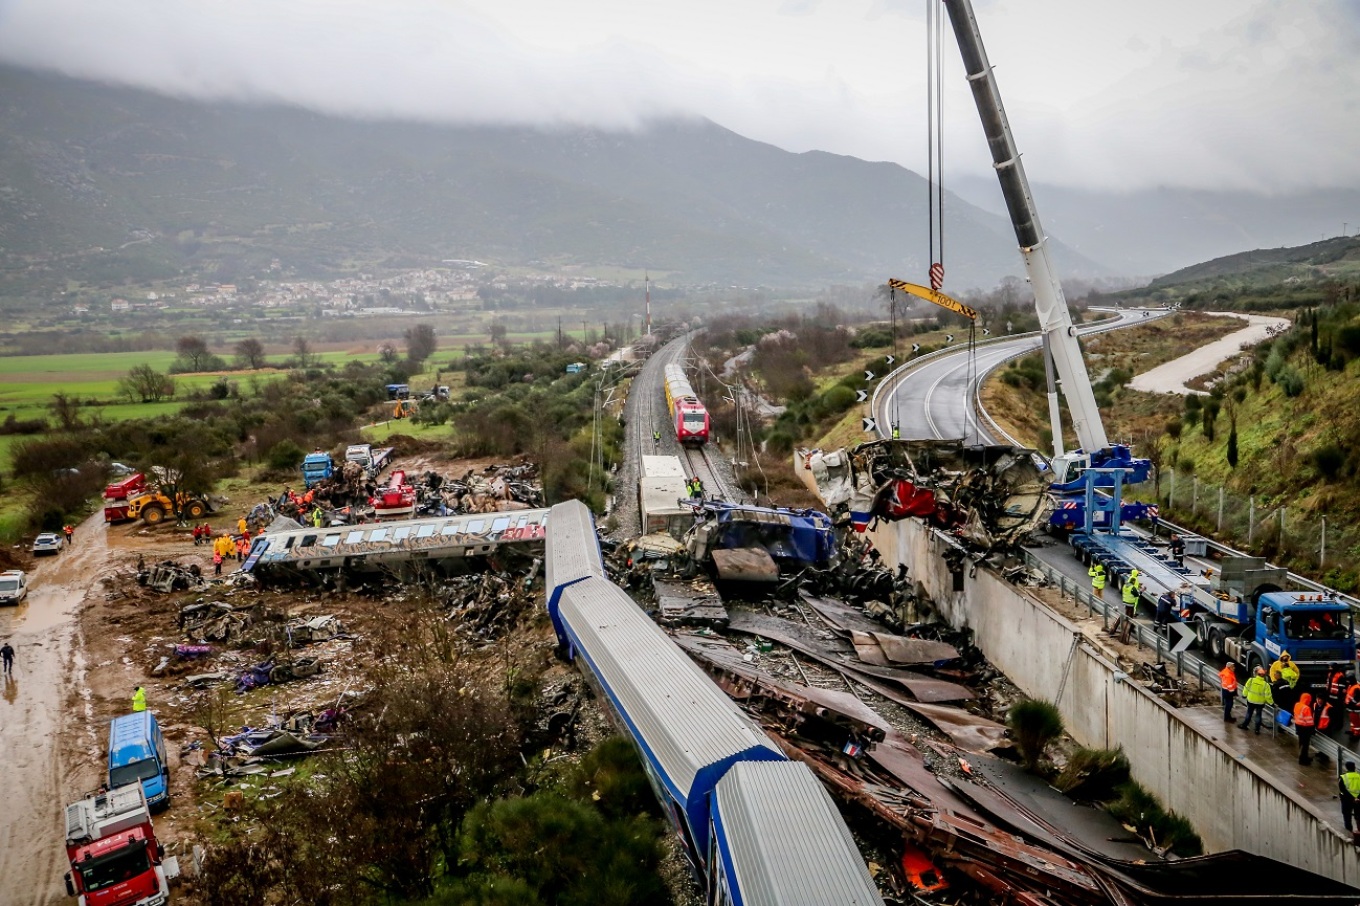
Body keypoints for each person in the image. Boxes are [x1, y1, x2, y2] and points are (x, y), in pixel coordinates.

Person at [1239, 666, 1273, 734]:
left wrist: (1244, 695)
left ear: (1256, 674)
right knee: (1258, 715)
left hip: (1251, 701)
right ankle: (1257, 730)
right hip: (1260, 703)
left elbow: (1246, 688)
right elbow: (1268, 696)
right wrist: (1271, 703)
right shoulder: (1266, 685)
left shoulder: (1251, 680)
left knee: (1249, 713)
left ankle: (1245, 725)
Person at [1295, 692, 1317, 766]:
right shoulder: (1306, 708)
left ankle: (1303, 757)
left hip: (1298, 726)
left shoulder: (1297, 705)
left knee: (1301, 743)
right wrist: (1312, 729)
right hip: (1305, 728)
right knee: (1305, 745)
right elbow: (1309, 721)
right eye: (1309, 700)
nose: (1310, 702)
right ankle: (1303, 759)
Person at [1340, 762, 1360, 840]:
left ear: (1346, 768)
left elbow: (1343, 790)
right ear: (1354, 767)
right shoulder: (1359, 776)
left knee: (1347, 817)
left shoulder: (1343, 777)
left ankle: (1349, 836)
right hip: (1358, 800)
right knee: (1358, 817)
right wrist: (1357, 798)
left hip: (1347, 801)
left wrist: (1352, 798)